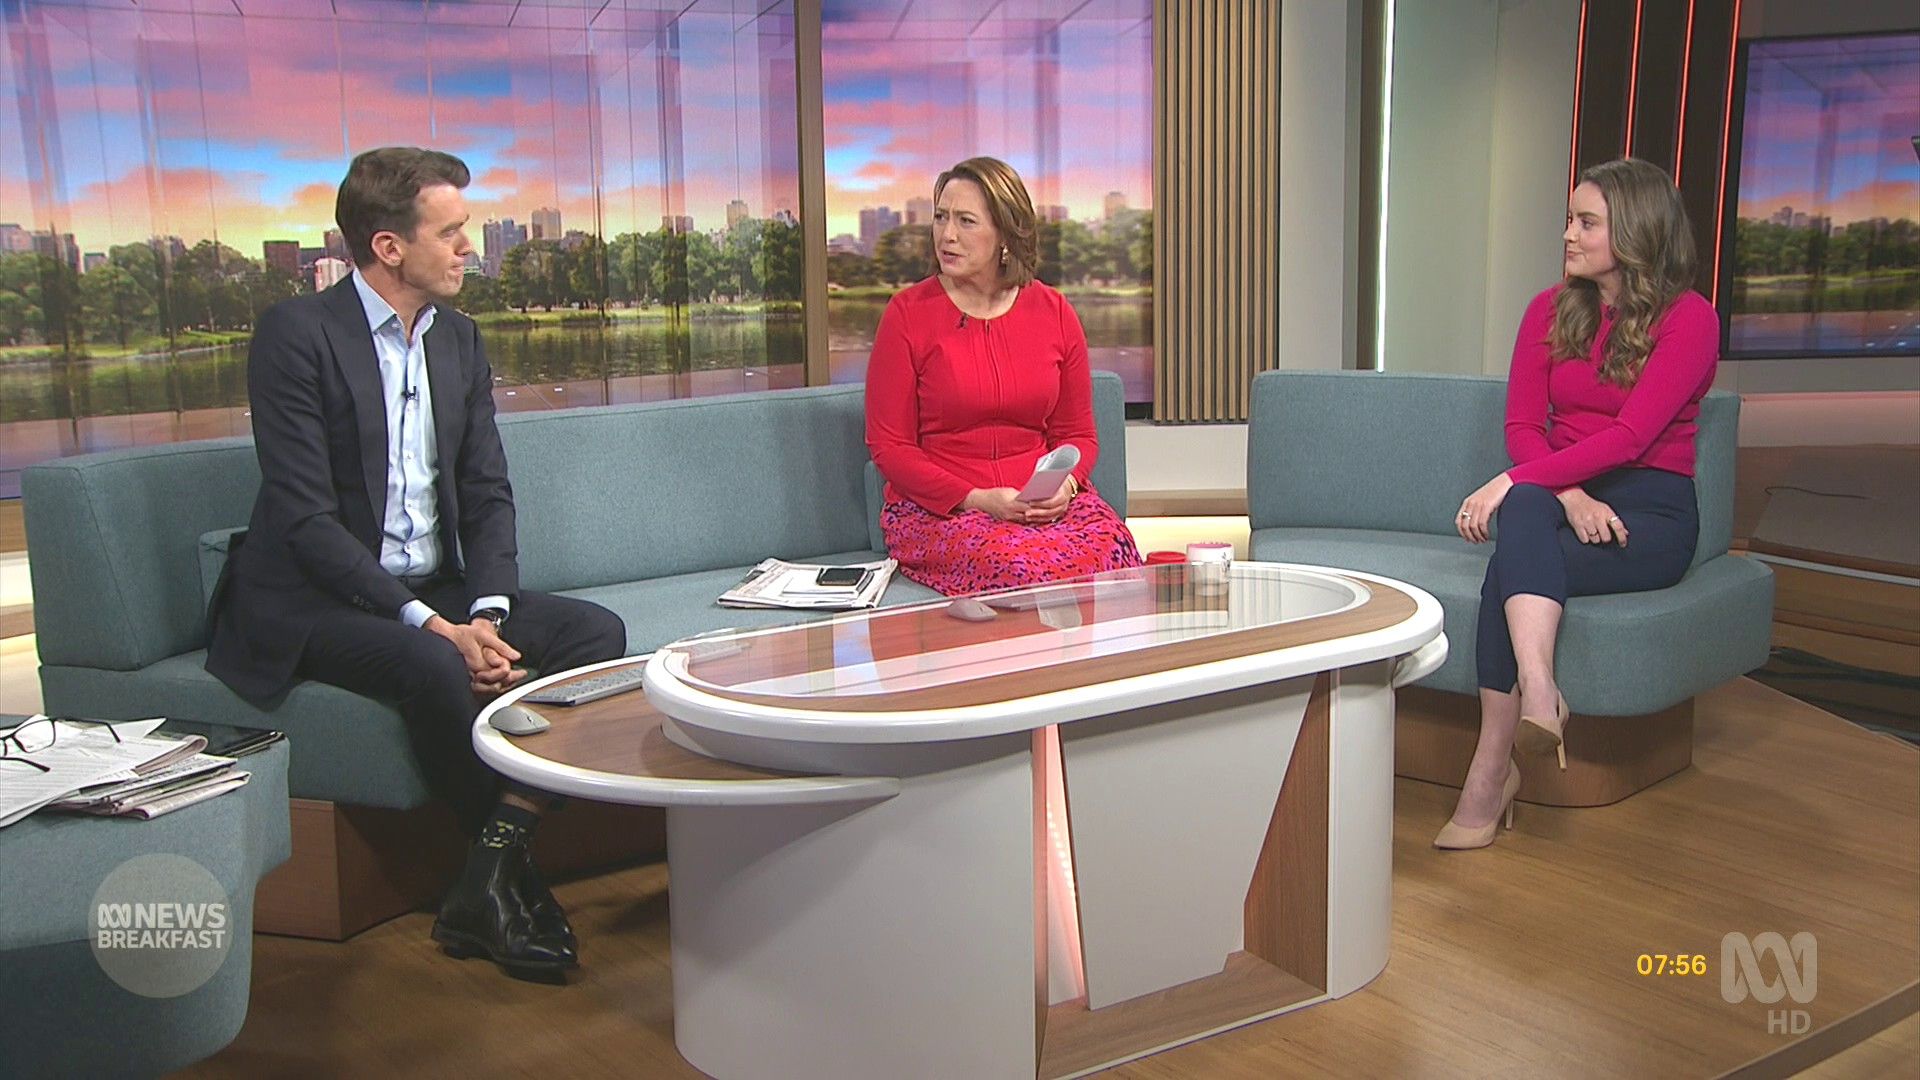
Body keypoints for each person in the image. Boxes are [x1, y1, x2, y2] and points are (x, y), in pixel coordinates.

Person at [205, 147, 626, 977]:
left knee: (595, 635)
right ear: (389, 247)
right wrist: (438, 627)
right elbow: (305, 520)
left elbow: (486, 491)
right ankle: (504, 885)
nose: (469, 247)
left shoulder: (458, 340)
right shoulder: (297, 335)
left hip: (435, 587)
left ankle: (490, 875)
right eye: (452, 231)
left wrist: (487, 614)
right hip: (312, 597)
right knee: (434, 666)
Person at [1437, 158, 1717, 850]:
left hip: (1650, 511)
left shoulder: (1691, 319)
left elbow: (1631, 437)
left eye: (1586, 222)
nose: (1568, 234)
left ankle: (1490, 773)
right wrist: (1564, 492)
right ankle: (1539, 693)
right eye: (1569, 219)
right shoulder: (1548, 309)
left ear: (1635, 230)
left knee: (1511, 559)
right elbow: (1522, 426)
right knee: (1528, 515)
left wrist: (1514, 482)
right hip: (1563, 493)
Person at [865, 156, 1142, 595]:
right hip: (941, 510)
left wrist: (1067, 486)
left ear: (1005, 234)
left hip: (1041, 506)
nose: (947, 235)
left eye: (966, 221)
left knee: (1115, 550)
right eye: (940, 217)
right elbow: (890, 447)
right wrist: (976, 499)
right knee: (1016, 568)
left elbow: (1077, 435)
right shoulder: (907, 315)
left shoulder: (1054, 312)